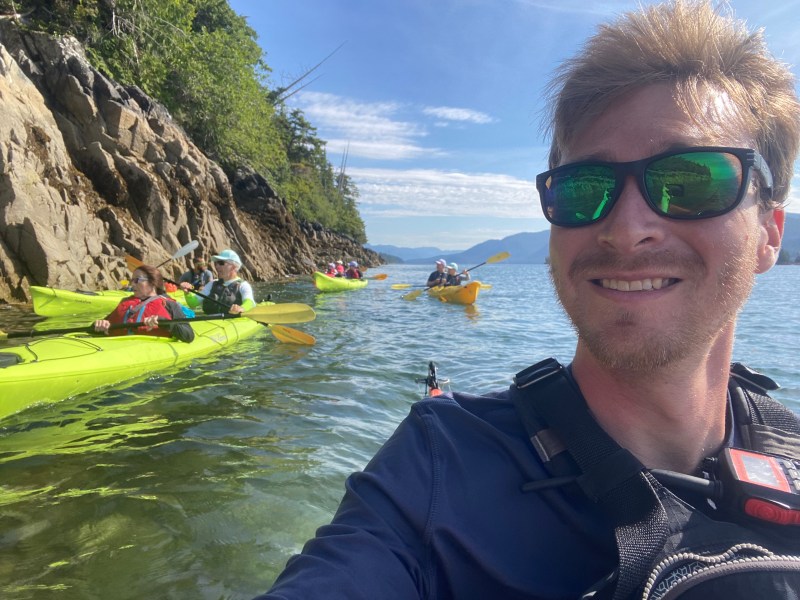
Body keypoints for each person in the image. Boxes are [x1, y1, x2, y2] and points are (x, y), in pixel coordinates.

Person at [255, 2, 800, 599]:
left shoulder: (790, 448)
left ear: (769, 232)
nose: (626, 228)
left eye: (692, 182)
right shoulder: (437, 470)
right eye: (584, 190)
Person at [93, 264, 195, 343]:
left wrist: (165, 322)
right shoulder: (125, 302)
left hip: (151, 350)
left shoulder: (169, 305)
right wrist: (98, 325)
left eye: (137, 280)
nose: (132, 284)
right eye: (132, 280)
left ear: (152, 282)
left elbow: (189, 336)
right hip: (117, 346)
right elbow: (96, 326)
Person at [184, 248, 256, 314]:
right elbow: (193, 303)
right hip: (210, 322)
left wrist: (242, 308)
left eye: (221, 263)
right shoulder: (211, 284)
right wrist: (187, 293)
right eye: (216, 263)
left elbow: (250, 302)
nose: (217, 266)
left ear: (233, 267)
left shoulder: (243, 285)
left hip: (232, 323)